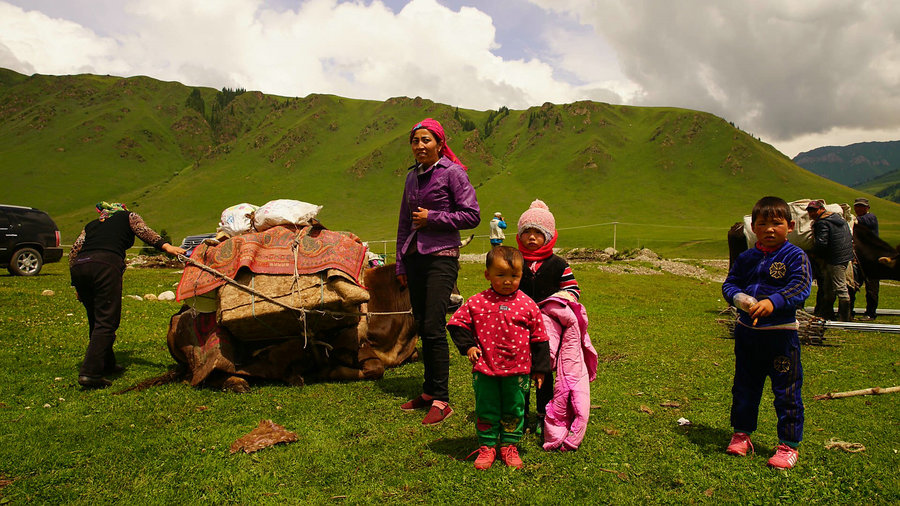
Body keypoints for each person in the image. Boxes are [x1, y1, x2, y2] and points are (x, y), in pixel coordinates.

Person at [396, 118, 480, 424]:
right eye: (415, 141)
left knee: (433, 324)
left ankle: (442, 400)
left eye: (426, 140)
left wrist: (434, 218)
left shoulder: (453, 173)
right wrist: (401, 262)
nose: (420, 146)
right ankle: (429, 391)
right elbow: (405, 222)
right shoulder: (411, 178)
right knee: (421, 323)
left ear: (440, 143)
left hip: (442, 256)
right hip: (415, 256)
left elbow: (472, 215)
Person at [722, 196, 812, 469]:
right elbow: (730, 284)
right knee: (744, 387)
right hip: (748, 334)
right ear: (754, 228)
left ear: (791, 225)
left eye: (777, 223)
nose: (769, 229)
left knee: (786, 391)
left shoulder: (796, 256)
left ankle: (788, 445)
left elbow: (801, 287)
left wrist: (774, 301)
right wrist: (740, 299)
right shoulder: (747, 258)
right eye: (762, 223)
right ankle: (741, 434)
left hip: (781, 337)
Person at [446, 246, 550, 469]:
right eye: (500, 275)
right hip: (486, 370)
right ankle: (487, 446)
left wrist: (540, 369)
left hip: (518, 371)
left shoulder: (528, 305)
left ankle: (509, 446)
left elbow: (540, 337)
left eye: (514, 276)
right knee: (487, 407)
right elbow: (456, 323)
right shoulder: (476, 302)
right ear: (488, 275)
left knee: (515, 408)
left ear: (521, 275)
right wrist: (468, 347)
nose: (507, 281)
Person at [69, 202, 186, 388]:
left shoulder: (91, 225)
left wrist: (76, 282)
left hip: (80, 266)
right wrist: (166, 247)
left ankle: (106, 363)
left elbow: (75, 249)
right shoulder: (128, 216)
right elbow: (143, 231)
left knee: (95, 317)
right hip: (105, 265)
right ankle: (90, 373)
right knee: (107, 320)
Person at [515, 199, 581, 433]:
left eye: (538, 232)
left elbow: (573, 290)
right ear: (519, 235)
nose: (531, 237)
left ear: (549, 236)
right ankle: (518, 414)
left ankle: (544, 414)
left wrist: (557, 302)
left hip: (546, 329)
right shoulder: (514, 261)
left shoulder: (559, 264)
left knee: (544, 370)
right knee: (519, 371)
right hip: (517, 326)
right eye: (527, 232)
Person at [807, 200, 854, 321]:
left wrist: (813, 253)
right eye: (809, 211)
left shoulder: (822, 223)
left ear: (821, 209)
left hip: (834, 258)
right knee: (828, 287)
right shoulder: (839, 219)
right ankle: (827, 313)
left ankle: (844, 318)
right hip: (844, 256)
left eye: (813, 210)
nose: (811, 213)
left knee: (840, 287)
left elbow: (822, 243)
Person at [851, 197, 879, 320]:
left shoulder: (870, 218)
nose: (859, 208)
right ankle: (849, 311)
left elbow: (860, 221)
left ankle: (870, 313)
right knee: (853, 284)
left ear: (867, 208)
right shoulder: (856, 220)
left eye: (862, 206)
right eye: (857, 206)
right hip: (859, 258)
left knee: (871, 287)